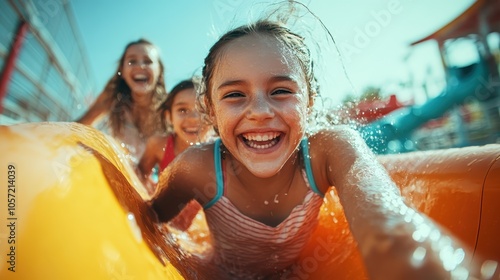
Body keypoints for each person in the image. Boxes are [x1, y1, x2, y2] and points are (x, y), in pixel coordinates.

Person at [149, 20, 485, 279]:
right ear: (209, 109)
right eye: (235, 95)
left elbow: (388, 222)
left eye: (281, 90)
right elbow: (148, 221)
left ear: (309, 102)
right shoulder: (197, 167)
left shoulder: (328, 151)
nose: (261, 111)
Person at [76, 39, 167, 165]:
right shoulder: (113, 97)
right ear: (122, 71)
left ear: (160, 71)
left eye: (148, 61)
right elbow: (80, 126)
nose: (140, 66)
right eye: (132, 61)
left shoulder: (169, 108)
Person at [138, 78, 213, 194]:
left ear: (214, 115)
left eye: (202, 109)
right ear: (169, 117)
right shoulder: (158, 146)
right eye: (182, 110)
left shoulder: (220, 153)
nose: (193, 118)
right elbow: (139, 177)